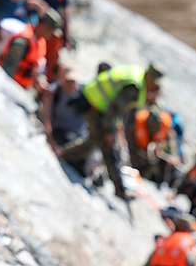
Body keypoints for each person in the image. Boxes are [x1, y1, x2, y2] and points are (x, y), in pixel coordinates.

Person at [59, 62, 164, 200]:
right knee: (108, 148)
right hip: (96, 105)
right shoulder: (134, 87)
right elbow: (114, 108)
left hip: (93, 99)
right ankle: (119, 189)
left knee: (95, 143)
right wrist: (109, 131)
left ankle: (65, 154)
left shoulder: (137, 74)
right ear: (150, 78)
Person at [0, 9, 62, 92]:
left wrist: (39, 79)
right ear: (44, 26)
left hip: (24, 86)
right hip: (11, 85)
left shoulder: (41, 42)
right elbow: (8, 67)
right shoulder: (22, 41)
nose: (51, 36)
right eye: (50, 31)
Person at [124, 103, 184, 187]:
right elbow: (131, 144)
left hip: (158, 155)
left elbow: (171, 142)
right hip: (140, 153)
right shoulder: (139, 123)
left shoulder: (165, 124)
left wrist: (173, 156)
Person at [30, 0, 71, 80]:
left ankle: (47, 81)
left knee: (51, 59)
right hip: (35, 29)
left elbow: (65, 14)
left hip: (52, 33)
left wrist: (66, 37)